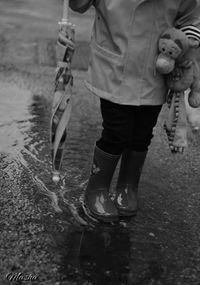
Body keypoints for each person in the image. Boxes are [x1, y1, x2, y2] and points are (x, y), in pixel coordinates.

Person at [69, 0, 200, 222]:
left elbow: (190, 16)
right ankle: (97, 188)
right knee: (116, 131)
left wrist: (187, 42)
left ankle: (127, 187)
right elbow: (78, 5)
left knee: (142, 133)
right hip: (115, 65)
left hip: (157, 68)